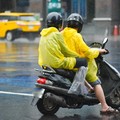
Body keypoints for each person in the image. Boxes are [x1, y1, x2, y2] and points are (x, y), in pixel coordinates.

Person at [61, 13, 119, 114]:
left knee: (83, 75)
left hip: (65, 63)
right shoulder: (77, 36)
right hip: (76, 64)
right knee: (96, 82)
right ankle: (105, 107)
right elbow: (87, 52)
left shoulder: (61, 34)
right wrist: (100, 51)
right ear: (79, 26)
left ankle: (89, 89)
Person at [38, 12, 87, 77]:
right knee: (83, 61)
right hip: (57, 63)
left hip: (44, 65)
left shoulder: (43, 35)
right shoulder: (57, 34)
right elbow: (65, 51)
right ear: (60, 24)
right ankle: (78, 83)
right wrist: (78, 56)